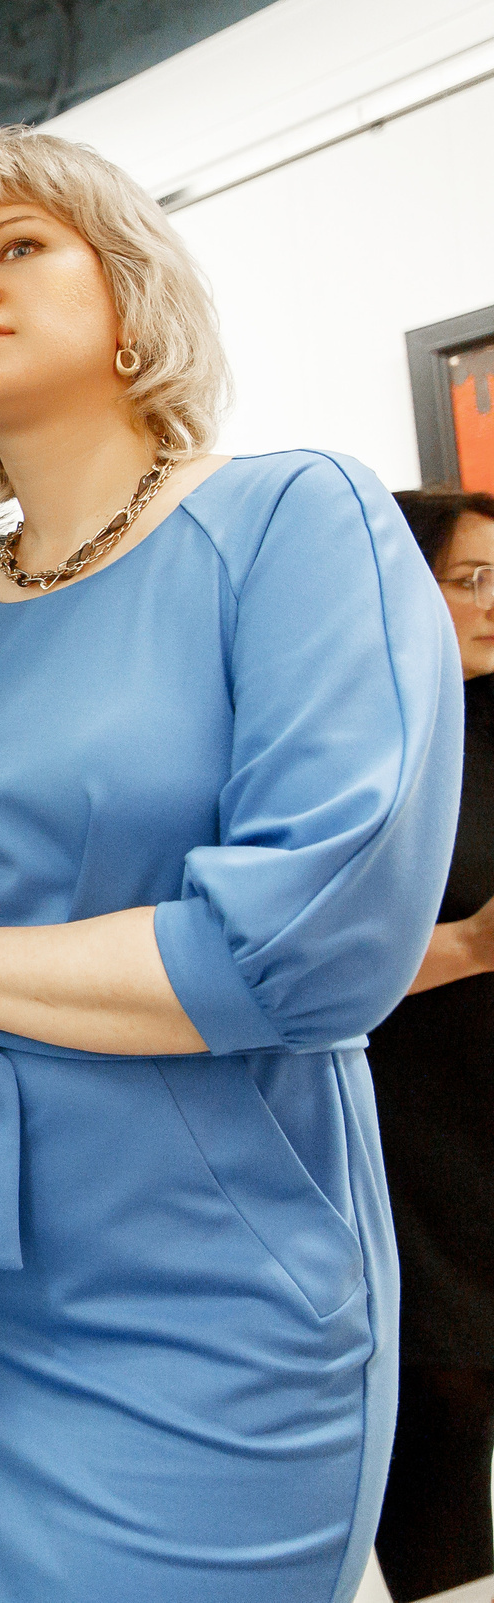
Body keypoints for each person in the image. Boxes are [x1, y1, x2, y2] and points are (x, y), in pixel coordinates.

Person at [0, 125, 460, 1602]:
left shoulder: (291, 518)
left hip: (203, 1286)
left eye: (19, 250)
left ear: (129, 293)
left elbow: (309, 939)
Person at [369, 487, 494, 1600]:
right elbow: (294, 967)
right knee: (439, 1424)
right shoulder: (361, 753)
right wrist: (464, 944)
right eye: (471, 579)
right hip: (407, 1144)